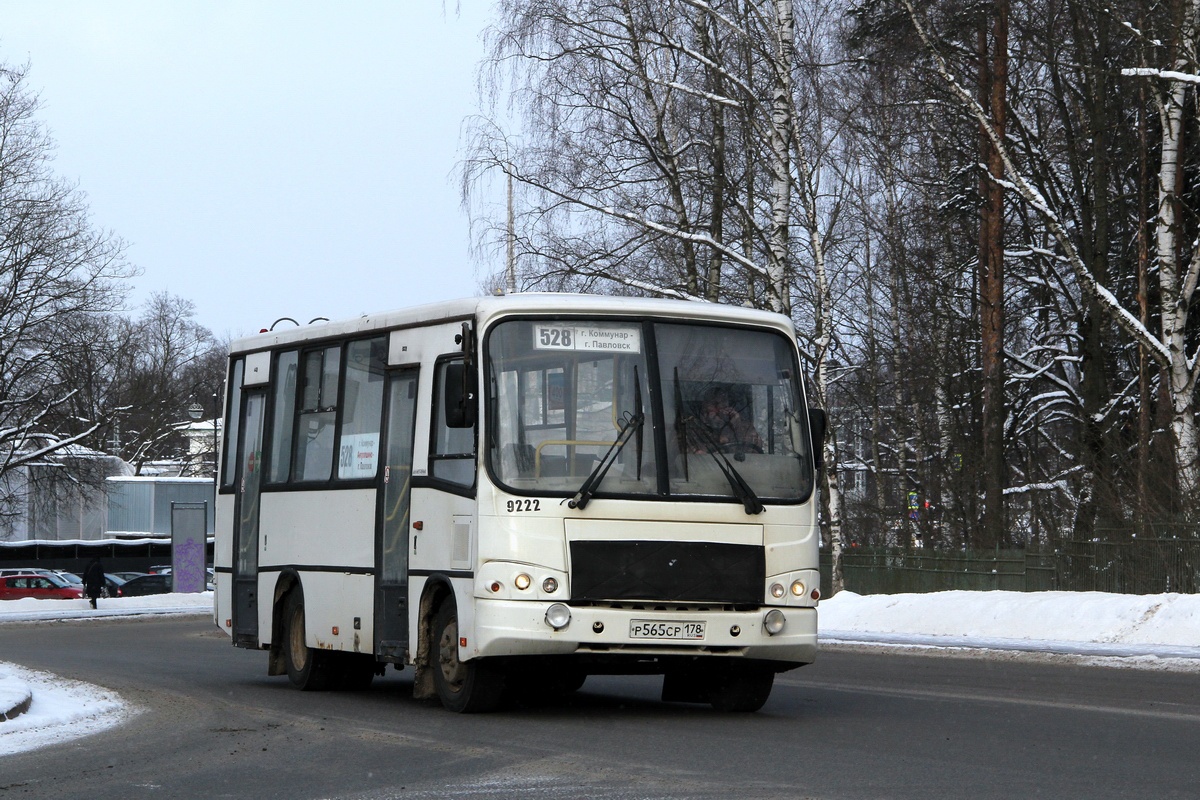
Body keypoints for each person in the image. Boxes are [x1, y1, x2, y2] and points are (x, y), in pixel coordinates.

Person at [693, 386, 762, 454]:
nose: (719, 409)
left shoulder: (745, 428)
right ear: (704, 408)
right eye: (715, 404)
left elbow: (756, 453)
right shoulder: (694, 431)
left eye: (724, 405)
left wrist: (736, 426)